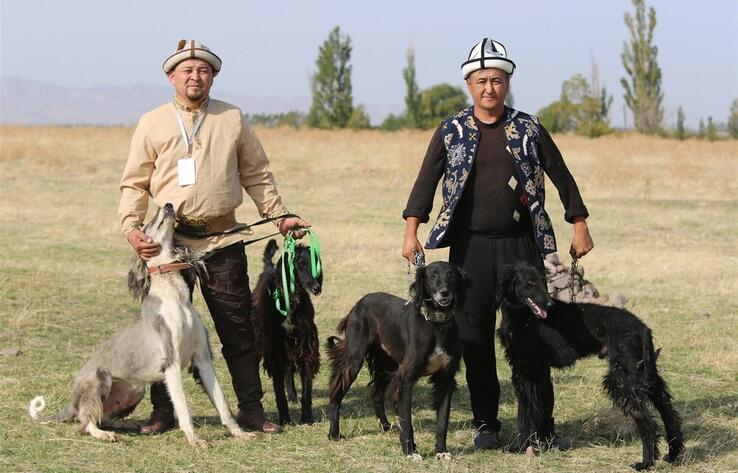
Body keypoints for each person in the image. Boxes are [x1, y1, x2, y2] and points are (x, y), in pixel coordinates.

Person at [401, 37, 593, 449]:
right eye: (482, 80)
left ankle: (540, 428)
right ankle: (487, 422)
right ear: (469, 85)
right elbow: (425, 181)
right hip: (469, 251)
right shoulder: (452, 130)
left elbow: (561, 174)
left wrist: (579, 222)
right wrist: (411, 230)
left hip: (522, 249)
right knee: (473, 338)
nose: (490, 88)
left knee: (532, 337)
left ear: (508, 83)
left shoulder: (528, 127)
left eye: (498, 80)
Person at [119, 39, 309, 435]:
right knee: (162, 331)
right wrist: (133, 230)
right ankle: (164, 413)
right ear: (171, 77)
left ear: (213, 76)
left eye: (203, 69)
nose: (195, 75)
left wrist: (279, 215)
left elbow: (256, 172)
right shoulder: (152, 122)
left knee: (237, 328)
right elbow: (135, 184)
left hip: (223, 241)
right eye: (187, 70)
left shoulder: (232, 118)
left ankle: (252, 410)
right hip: (168, 247)